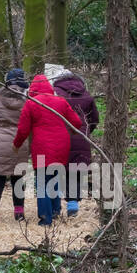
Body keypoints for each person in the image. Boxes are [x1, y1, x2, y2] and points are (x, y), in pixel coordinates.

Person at [12, 73, 82, 226]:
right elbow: (77, 122)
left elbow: (23, 130)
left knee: (43, 182)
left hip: (41, 146)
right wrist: (69, 131)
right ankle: (55, 211)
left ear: (33, 89)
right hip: (62, 145)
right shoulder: (61, 101)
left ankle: (45, 218)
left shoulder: (31, 103)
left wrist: (16, 144)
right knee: (55, 178)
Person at [46, 66, 99, 217]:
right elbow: (94, 119)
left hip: (58, 137)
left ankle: (54, 207)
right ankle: (72, 205)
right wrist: (86, 131)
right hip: (81, 137)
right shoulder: (86, 95)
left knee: (55, 171)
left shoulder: (54, 93)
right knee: (75, 172)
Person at [0, 68, 29, 224]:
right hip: (19, 142)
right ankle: (19, 214)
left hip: (0, 141)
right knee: (18, 180)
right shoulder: (27, 99)